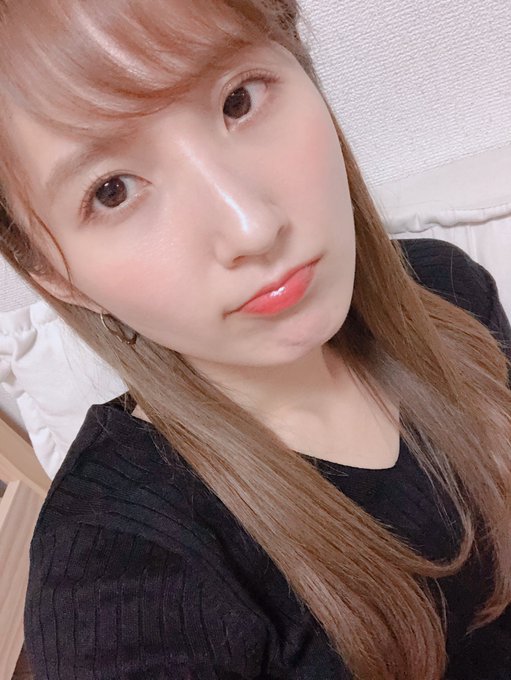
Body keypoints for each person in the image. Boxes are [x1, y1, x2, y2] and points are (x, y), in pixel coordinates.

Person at [0, 1, 510, 678]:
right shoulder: (122, 579)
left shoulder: (446, 290)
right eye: (113, 191)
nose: (252, 228)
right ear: (54, 275)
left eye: (237, 100)